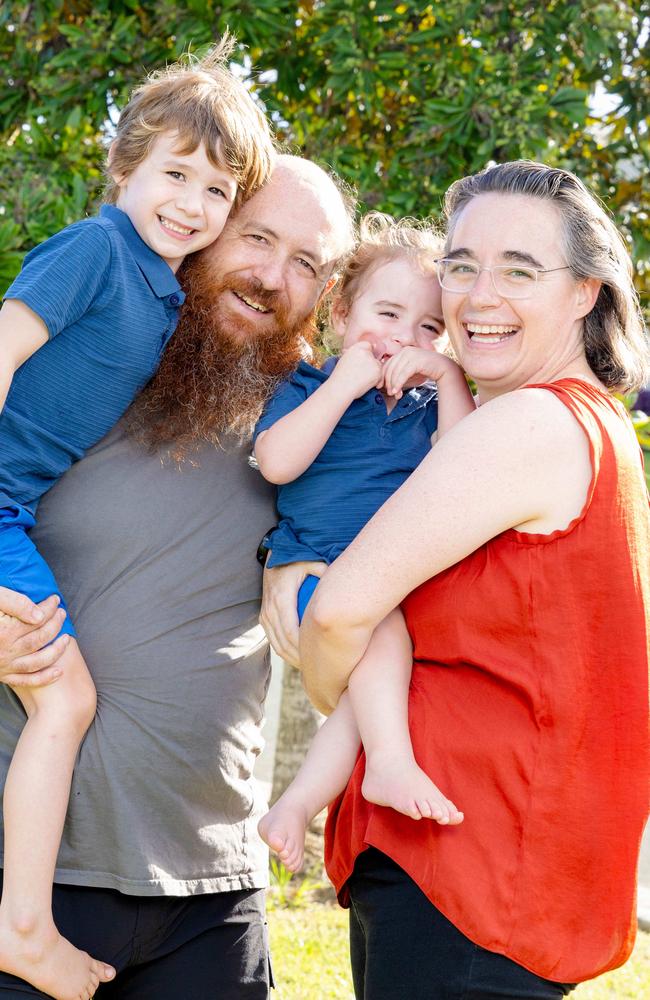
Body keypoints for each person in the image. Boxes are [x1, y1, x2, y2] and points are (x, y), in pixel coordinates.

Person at [262, 160, 650, 998]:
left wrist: (342, 693)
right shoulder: (589, 427)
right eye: (463, 266)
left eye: (519, 270)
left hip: (465, 865)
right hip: (487, 864)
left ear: (585, 293)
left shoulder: (528, 422)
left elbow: (335, 618)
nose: (478, 296)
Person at [0, 153, 354, 998]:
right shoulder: (87, 356)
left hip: (213, 890)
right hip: (40, 876)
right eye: (256, 237)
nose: (272, 276)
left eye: (307, 263)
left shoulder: (319, 421)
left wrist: (299, 566)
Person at [0, 38, 273, 1000]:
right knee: (65, 700)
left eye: (217, 194)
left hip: (15, 509)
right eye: (174, 175)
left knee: (60, 700)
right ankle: (24, 928)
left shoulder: (167, 295)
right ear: (123, 168)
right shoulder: (93, 251)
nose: (191, 206)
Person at [255, 214, 474, 872]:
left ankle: (295, 805)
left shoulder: (426, 405)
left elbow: (464, 466)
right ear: (343, 313)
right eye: (387, 314)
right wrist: (345, 383)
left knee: (364, 697)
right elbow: (276, 463)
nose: (404, 338)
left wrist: (448, 378)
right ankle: (390, 763)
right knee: (381, 650)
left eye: (430, 327)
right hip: (317, 573)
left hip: (380, 590)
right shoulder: (305, 387)